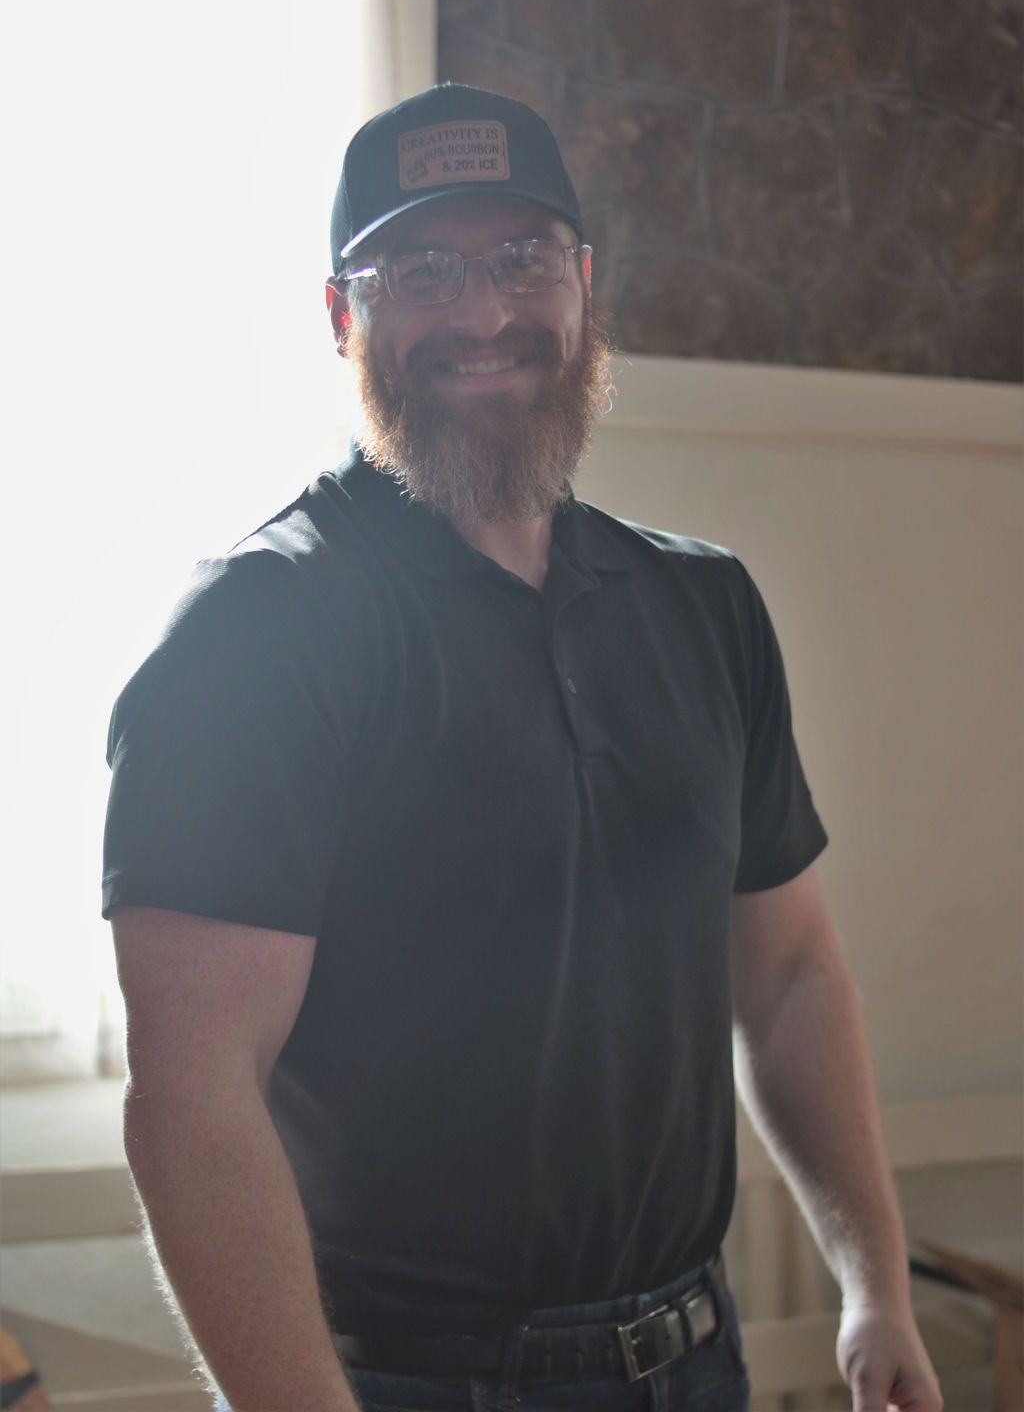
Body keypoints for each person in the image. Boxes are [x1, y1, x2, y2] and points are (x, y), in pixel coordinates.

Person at [103, 83, 942, 1412]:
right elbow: (195, 1096)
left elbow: (787, 976)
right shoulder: (255, 634)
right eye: (420, 272)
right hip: (405, 1383)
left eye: (521, 259)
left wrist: (874, 1282)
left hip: (696, 1360)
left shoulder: (705, 605)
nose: (483, 312)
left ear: (584, 289)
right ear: (342, 317)